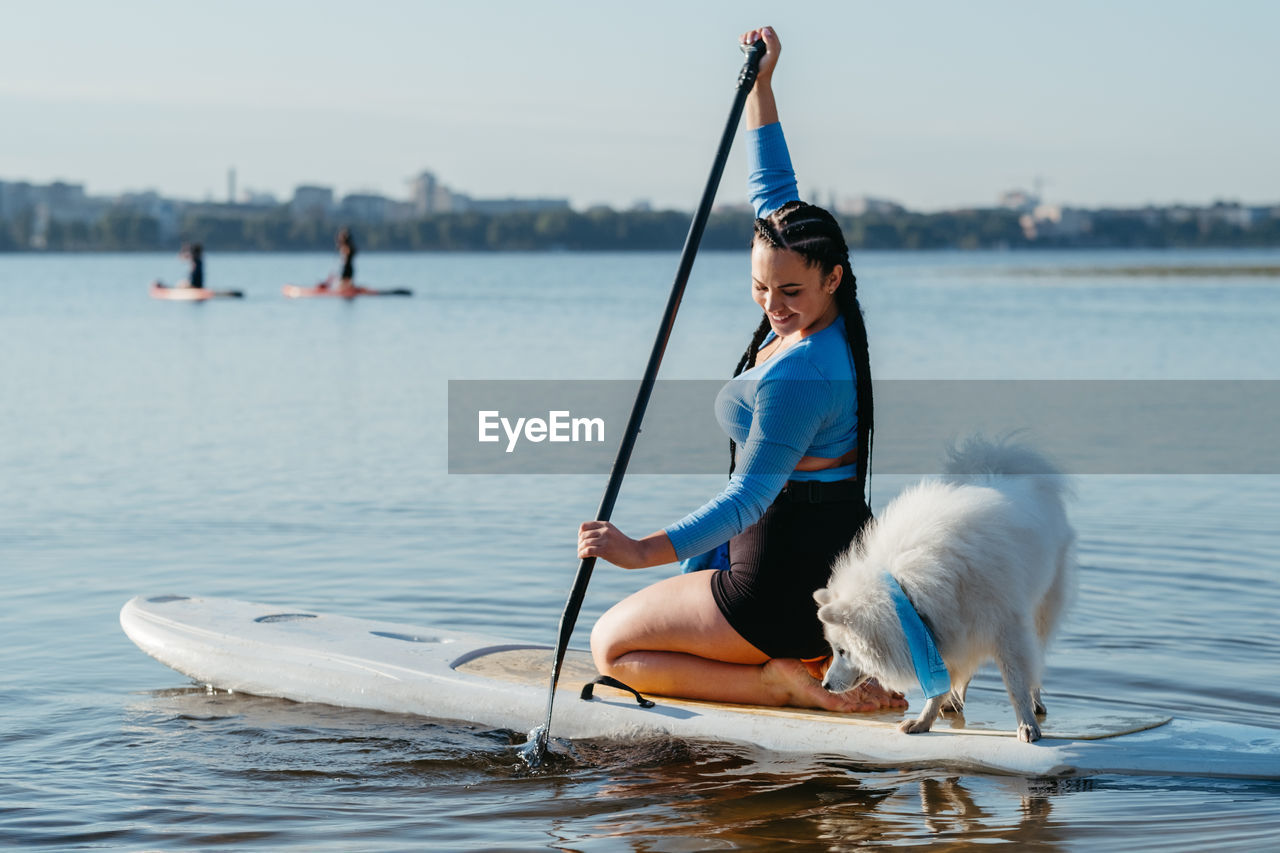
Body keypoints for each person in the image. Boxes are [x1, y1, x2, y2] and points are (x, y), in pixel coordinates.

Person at [578, 27, 906, 713]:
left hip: (778, 586)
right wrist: (764, 84)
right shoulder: (816, 289)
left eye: (790, 292)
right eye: (761, 288)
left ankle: (777, 680)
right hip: (813, 566)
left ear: (833, 278)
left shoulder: (803, 374)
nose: (774, 305)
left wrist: (640, 550)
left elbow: (747, 501)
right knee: (643, 624)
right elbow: (773, 188)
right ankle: (795, 656)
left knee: (612, 648)